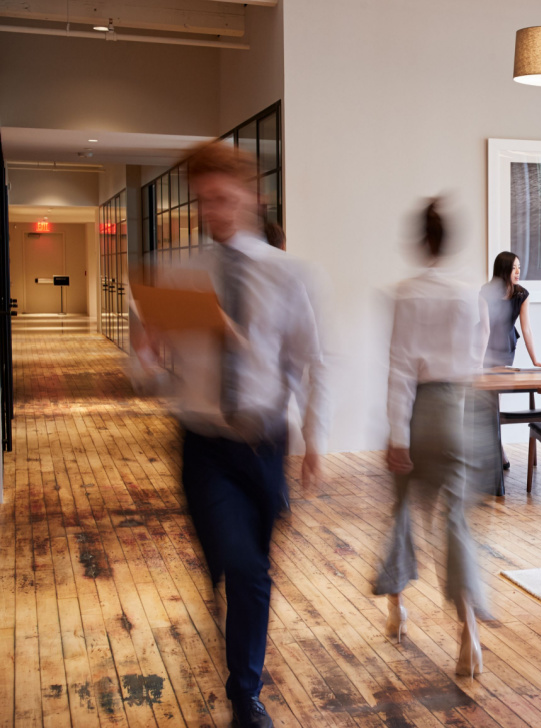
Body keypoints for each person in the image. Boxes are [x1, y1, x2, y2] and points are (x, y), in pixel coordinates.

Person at [133, 142, 329, 728]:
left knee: (250, 569)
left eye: (222, 198)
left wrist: (314, 440)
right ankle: (246, 697)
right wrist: (143, 353)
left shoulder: (290, 272)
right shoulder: (178, 271)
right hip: (204, 443)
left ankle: (243, 680)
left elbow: (307, 360)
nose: (212, 210)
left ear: (250, 196)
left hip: (265, 442)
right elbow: (145, 372)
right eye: (203, 200)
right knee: (241, 566)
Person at [375, 199, 487, 679]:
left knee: (402, 511)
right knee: (455, 521)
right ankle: (469, 636)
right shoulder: (469, 296)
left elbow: (400, 366)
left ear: (421, 241)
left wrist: (397, 434)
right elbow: (477, 359)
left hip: (421, 411)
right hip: (459, 413)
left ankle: (397, 608)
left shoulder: (406, 294)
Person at [481, 252, 541, 368]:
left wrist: (535, 361)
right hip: (483, 343)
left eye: (519, 267)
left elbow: (526, 329)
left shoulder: (522, 294)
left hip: (506, 343)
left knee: (503, 381)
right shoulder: (486, 292)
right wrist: (479, 362)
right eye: (513, 268)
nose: (518, 272)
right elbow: (484, 330)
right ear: (503, 269)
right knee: (484, 381)